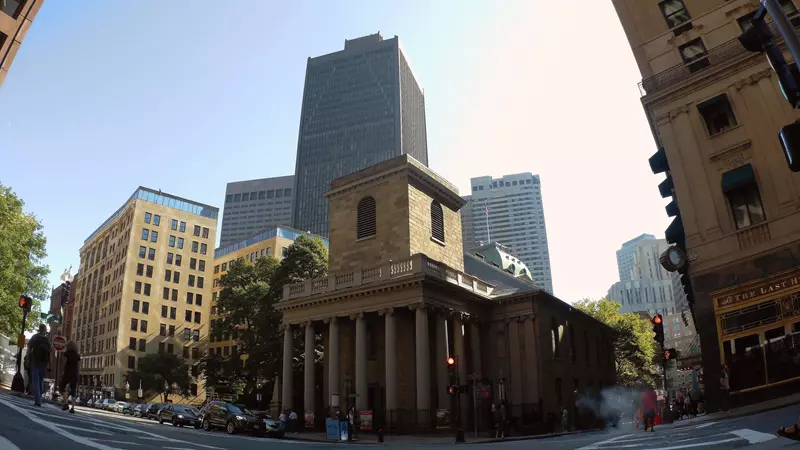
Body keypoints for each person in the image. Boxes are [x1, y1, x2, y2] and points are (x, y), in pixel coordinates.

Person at [26, 324, 50, 407]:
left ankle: (38, 401)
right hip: (44, 363)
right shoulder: (47, 340)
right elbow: (49, 352)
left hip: (35, 361)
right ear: (45, 330)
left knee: (35, 381)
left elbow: (29, 348)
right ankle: (39, 398)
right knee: (40, 381)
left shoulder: (35, 337)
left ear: (39, 329)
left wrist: (27, 359)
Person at [59, 341, 81, 413]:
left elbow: (63, 363)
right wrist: (77, 374)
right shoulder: (77, 356)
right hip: (74, 374)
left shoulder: (67, 354)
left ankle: (66, 403)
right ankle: (73, 408)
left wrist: (62, 371)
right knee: (73, 390)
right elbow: (78, 366)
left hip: (67, 373)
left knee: (61, 388)